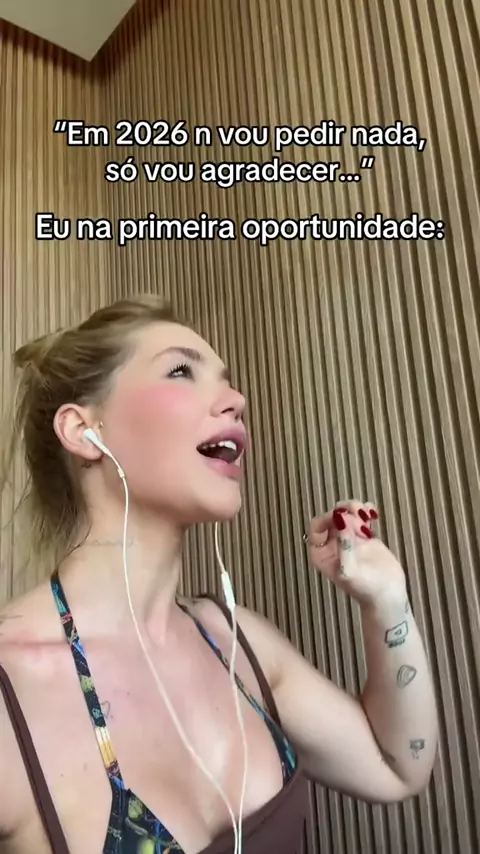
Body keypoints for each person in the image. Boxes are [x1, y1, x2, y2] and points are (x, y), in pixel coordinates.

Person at [0, 295, 438, 854]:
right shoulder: (11, 688)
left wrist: (387, 600)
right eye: (181, 371)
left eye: (227, 382)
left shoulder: (237, 642)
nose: (237, 400)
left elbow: (397, 767)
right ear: (85, 431)